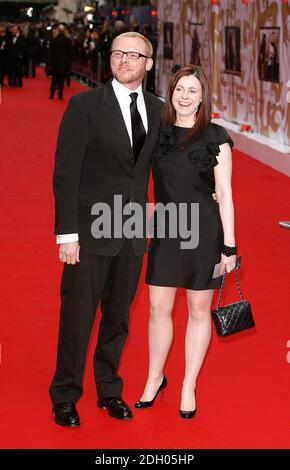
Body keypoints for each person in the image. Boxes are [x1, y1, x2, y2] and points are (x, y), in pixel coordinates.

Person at [50, 32, 162, 426]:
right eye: (117, 54)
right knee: (78, 315)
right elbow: (66, 173)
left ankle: (108, 389)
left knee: (118, 317)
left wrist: (209, 192)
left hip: (132, 232)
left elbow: (165, 166)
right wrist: (67, 234)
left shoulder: (157, 108)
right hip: (89, 229)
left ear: (149, 63)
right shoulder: (84, 106)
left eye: (133, 54)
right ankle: (65, 394)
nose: (124, 60)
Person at [135, 65, 237, 418]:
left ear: (202, 97)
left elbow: (224, 194)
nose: (184, 96)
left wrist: (230, 246)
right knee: (157, 309)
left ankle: (188, 385)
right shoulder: (157, 134)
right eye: (179, 89)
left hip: (205, 234)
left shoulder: (216, 136)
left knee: (198, 310)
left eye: (192, 90)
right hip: (166, 230)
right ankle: (154, 377)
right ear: (171, 92)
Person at [48, 24, 72, 100]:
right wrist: (68, 62)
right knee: (61, 79)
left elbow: (51, 52)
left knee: (54, 79)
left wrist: (50, 63)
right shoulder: (68, 41)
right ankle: (60, 94)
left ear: (58, 31)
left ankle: (52, 94)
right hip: (64, 63)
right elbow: (70, 53)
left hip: (55, 62)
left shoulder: (53, 40)